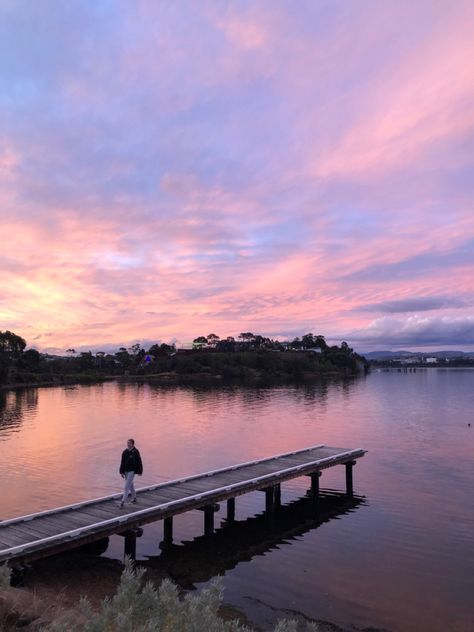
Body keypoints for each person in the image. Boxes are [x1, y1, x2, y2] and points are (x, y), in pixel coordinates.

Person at [119, 438, 143, 508]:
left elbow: (139, 461)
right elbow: (122, 462)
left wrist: (140, 471)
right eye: (127, 443)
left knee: (126, 487)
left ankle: (122, 502)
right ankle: (134, 498)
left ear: (133, 444)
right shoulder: (124, 452)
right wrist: (121, 472)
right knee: (131, 485)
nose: (128, 444)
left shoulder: (135, 452)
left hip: (132, 471)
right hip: (126, 471)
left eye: (129, 443)